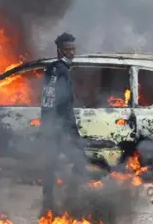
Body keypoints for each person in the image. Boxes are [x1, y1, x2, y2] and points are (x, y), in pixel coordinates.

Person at [40, 32, 87, 213]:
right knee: (80, 161)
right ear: (59, 51)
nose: (71, 53)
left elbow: (47, 100)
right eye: (68, 50)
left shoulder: (50, 69)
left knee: (50, 164)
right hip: (61, 127)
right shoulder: (62, 72)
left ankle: (48, 201)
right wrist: (73, 130)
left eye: (73, 49)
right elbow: (62, 104)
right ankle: (71, 199)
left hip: (50, 126)